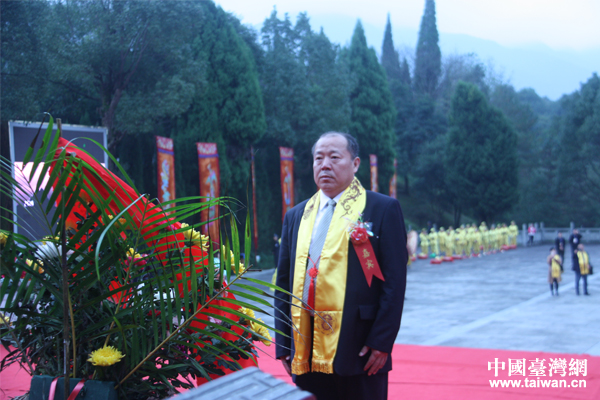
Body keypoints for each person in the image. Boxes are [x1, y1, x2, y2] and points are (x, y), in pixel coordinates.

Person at [274, 132, 408, 400]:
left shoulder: (381, 209)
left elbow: (394, 283)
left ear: (355, 163)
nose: (325, 165)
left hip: (359, 345)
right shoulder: (296, 216)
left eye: (335, 157)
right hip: (306, 344)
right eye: (318, 158)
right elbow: (283, 284)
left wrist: (381, 342)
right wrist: (283, 343)